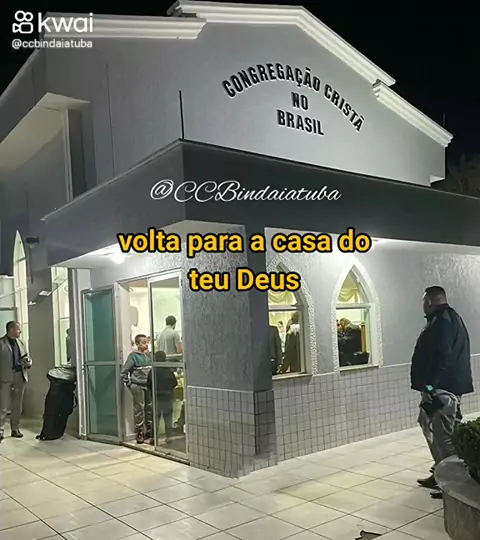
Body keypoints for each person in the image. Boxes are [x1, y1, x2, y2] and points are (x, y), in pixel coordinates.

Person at [411, 286, 474, 499]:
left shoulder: (443, 322)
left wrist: (429, 387)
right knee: (436, 428)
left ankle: (449, 482)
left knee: (442, 436)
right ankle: (440, 472)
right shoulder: (448, 319)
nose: (422, 305)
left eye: (423, 301)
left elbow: (441, 356)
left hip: (442, 390)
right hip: (446, 388)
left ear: (429, 301)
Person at [0, 321, 32, 441]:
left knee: (17, 405)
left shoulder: (22, 343)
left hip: (20, 376)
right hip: (5, 378)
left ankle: (15, 428)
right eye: (18, 329)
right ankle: (0, 430)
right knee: (3, 406)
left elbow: (27, 357)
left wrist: (28, 362)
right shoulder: (1, 343)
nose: (20, 331)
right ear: (11, 330)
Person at [121, 334, 152, 444]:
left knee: (150, 407)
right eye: (144, 342)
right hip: (137, 385)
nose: (146, 344)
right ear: (137, 344)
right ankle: (140, 432)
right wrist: (129, 384)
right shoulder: (133, 356)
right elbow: (124, 372)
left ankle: (150, 431)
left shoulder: (149, 355)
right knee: (139, 409)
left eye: (147, 342)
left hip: (149, 385)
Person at [147, 350, 177, 443]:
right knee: (168, 419)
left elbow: (148, 385)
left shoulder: (153, 371)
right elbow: (174, 383)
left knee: (155, 419)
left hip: (157, 398)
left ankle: (153, 438)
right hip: (168, 398)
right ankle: (169, 437)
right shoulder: (168, 370)